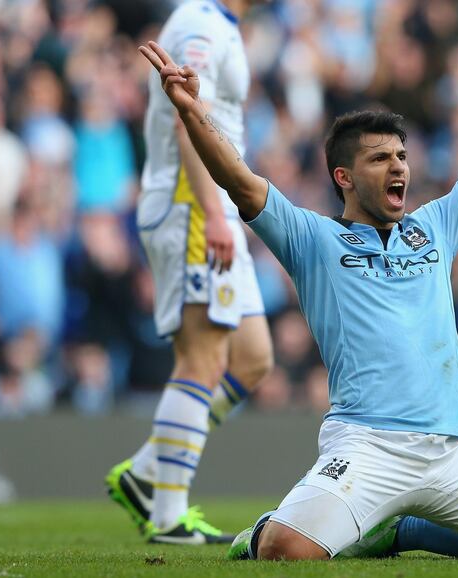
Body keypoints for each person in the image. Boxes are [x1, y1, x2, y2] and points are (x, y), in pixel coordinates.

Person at [139, 16, 458, 560]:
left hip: (455, 448)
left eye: (401, 155)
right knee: (288, 551)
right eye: (380, 158)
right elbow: (239, 179)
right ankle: (265, 528)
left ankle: (401, 531)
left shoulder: (435, 227)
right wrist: (193, 111)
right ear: (344, 178)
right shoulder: (313, 238)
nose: (397, 165)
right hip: (367, 445)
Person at [105, 0, 273, 545]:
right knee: (202, 358)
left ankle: (148, 471)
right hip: (193, 203)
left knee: (252, 359)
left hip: (210, 204)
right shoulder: (201, 23)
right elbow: (187, 114)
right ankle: (167, 515)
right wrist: (209, 212)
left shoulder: (218, 22)